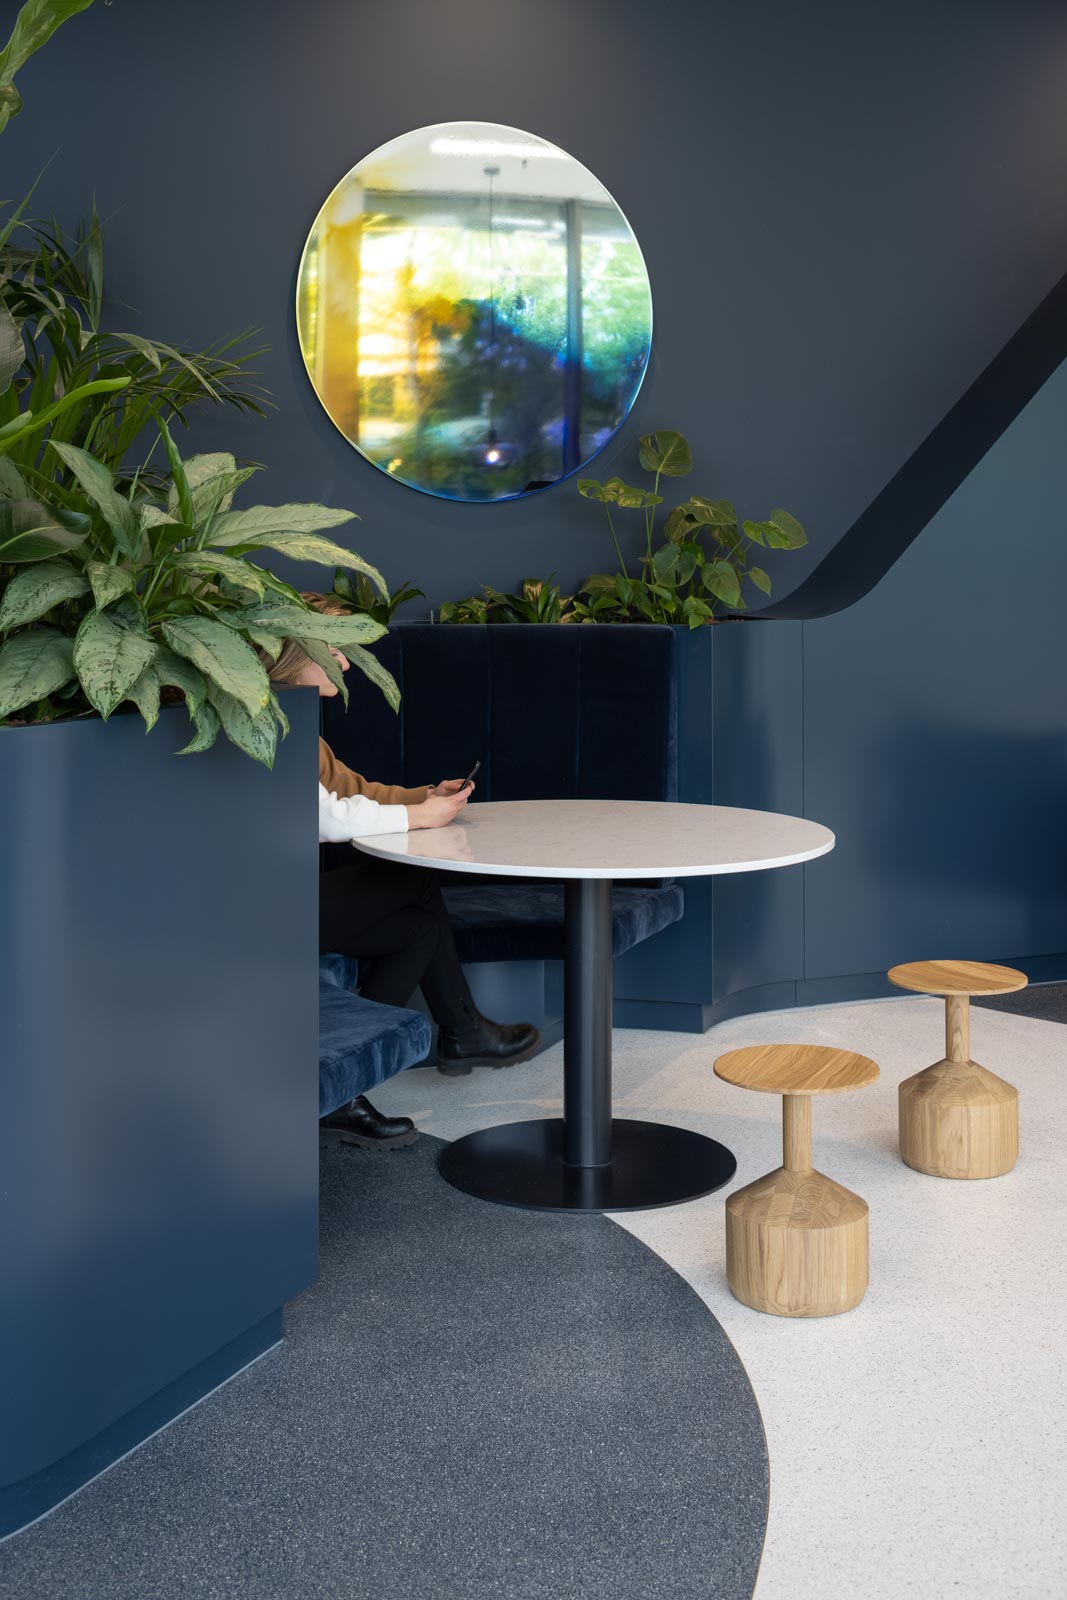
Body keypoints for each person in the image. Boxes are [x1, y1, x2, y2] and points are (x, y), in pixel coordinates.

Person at [264, 595, 541, 1151]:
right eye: (336, 650)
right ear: (297, 649)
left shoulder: (295, 721)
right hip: (257, 911)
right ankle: (463, 1030)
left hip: (284, 898)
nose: (346, 663)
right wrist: (419, 817)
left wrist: (426, 797)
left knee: (420, 929)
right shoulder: (259, 718)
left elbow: (351, 790)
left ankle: (346, 1090)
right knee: (413, 879)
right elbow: (320, 815)